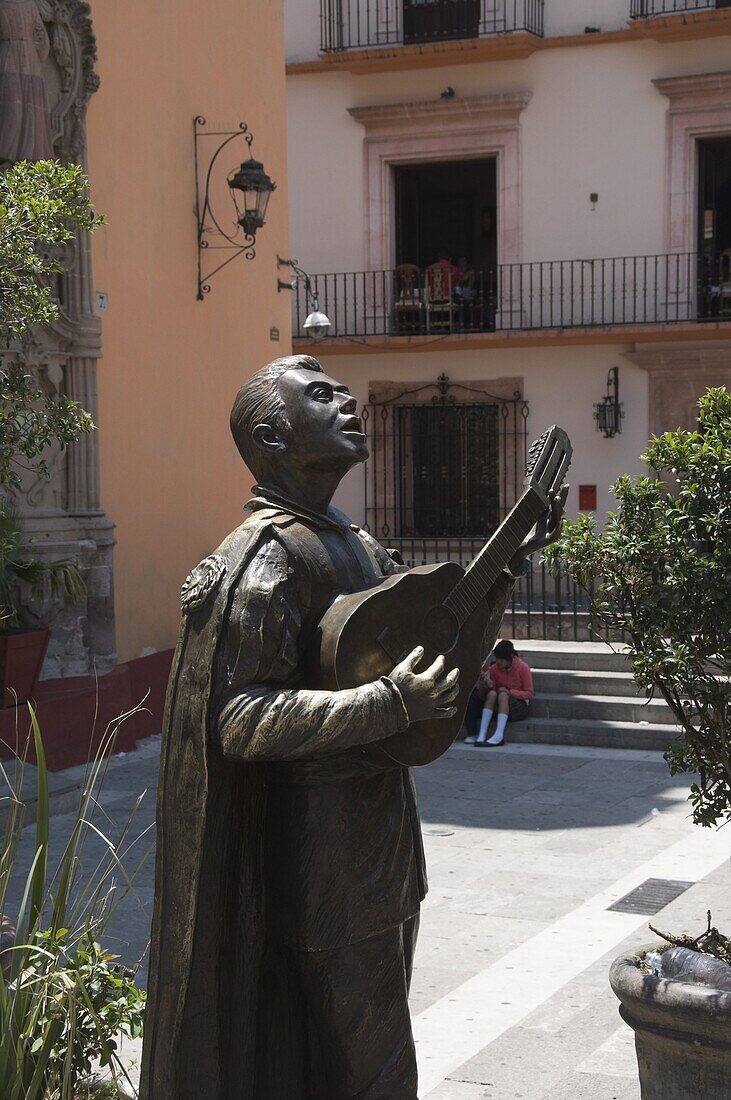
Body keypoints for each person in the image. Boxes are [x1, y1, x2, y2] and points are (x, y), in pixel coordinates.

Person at [140, 354, 564, 1100]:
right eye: (320, 395)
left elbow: (436, 646)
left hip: (381, 838)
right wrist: (386, 705)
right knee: (376, 1068)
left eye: (343, 390)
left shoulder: (358, 546)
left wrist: (503, 570)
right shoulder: (263, 560)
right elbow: (236, 718)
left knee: (357, 1050)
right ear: (272, 435)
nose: (346, 402)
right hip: (320, 850)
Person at [0, 0, 53, 168]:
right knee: (13, 110)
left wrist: (36, 43)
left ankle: (26, 160)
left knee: (30, 113)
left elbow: (43, 41)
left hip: (29, 62)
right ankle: (8, 159)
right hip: (12, 58)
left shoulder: (30, 5)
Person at [475, 639, 534, 747]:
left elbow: (529, 693)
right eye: (497, 659)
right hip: (500, 706)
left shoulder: (523, 668)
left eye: (502, 660)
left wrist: (510, 692)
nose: (498, 662)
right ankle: (482, 734)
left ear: (510, 658)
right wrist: (489, 684)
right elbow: (493, 689)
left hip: (518, 707)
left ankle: (499, 735)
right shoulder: (494, 668)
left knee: (503, 694)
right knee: (492, 694)